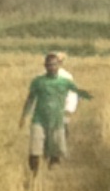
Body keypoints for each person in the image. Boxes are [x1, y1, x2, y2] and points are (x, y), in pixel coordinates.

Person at [18, 51, 89, 180]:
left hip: (58, 120)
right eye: (49, 65)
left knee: (56, 150)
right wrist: (24, 116)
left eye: (54, 64)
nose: (52, 67)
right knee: (34, 150)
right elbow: (30, 99)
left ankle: (51, 172)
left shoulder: (66, 80)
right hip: (39, 119)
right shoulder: (38, 81)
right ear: (45, 66)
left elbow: (76, 94)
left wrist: (72, 108)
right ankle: (34, 176)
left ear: (59, 65)